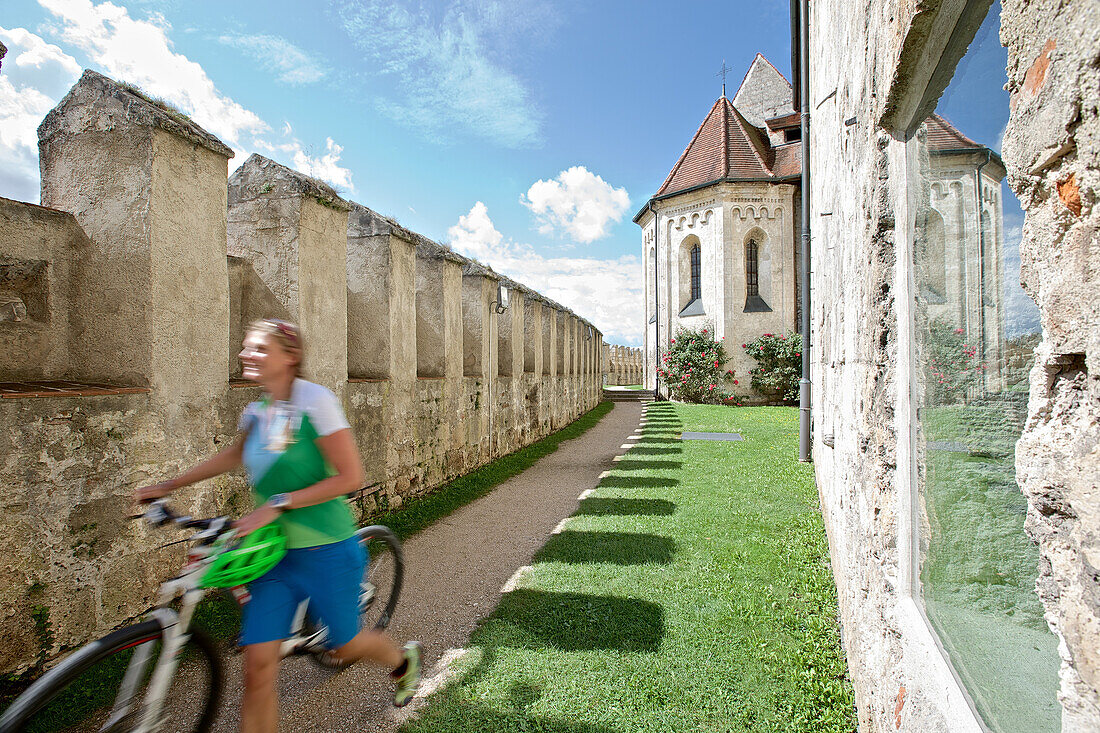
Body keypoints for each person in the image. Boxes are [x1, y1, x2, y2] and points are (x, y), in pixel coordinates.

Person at [136, 318, 420, 733]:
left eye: (258, 348)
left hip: (328, 549)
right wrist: (169, 484)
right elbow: (234, 455)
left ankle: (403, 661)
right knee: (257, 670)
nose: (245, 354)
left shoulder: (315, 401)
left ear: (291, 357)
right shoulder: (255, 412)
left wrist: (278, 503)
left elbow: (349, 477)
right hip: (273, 556)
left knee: (344, 646)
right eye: (245, 348)